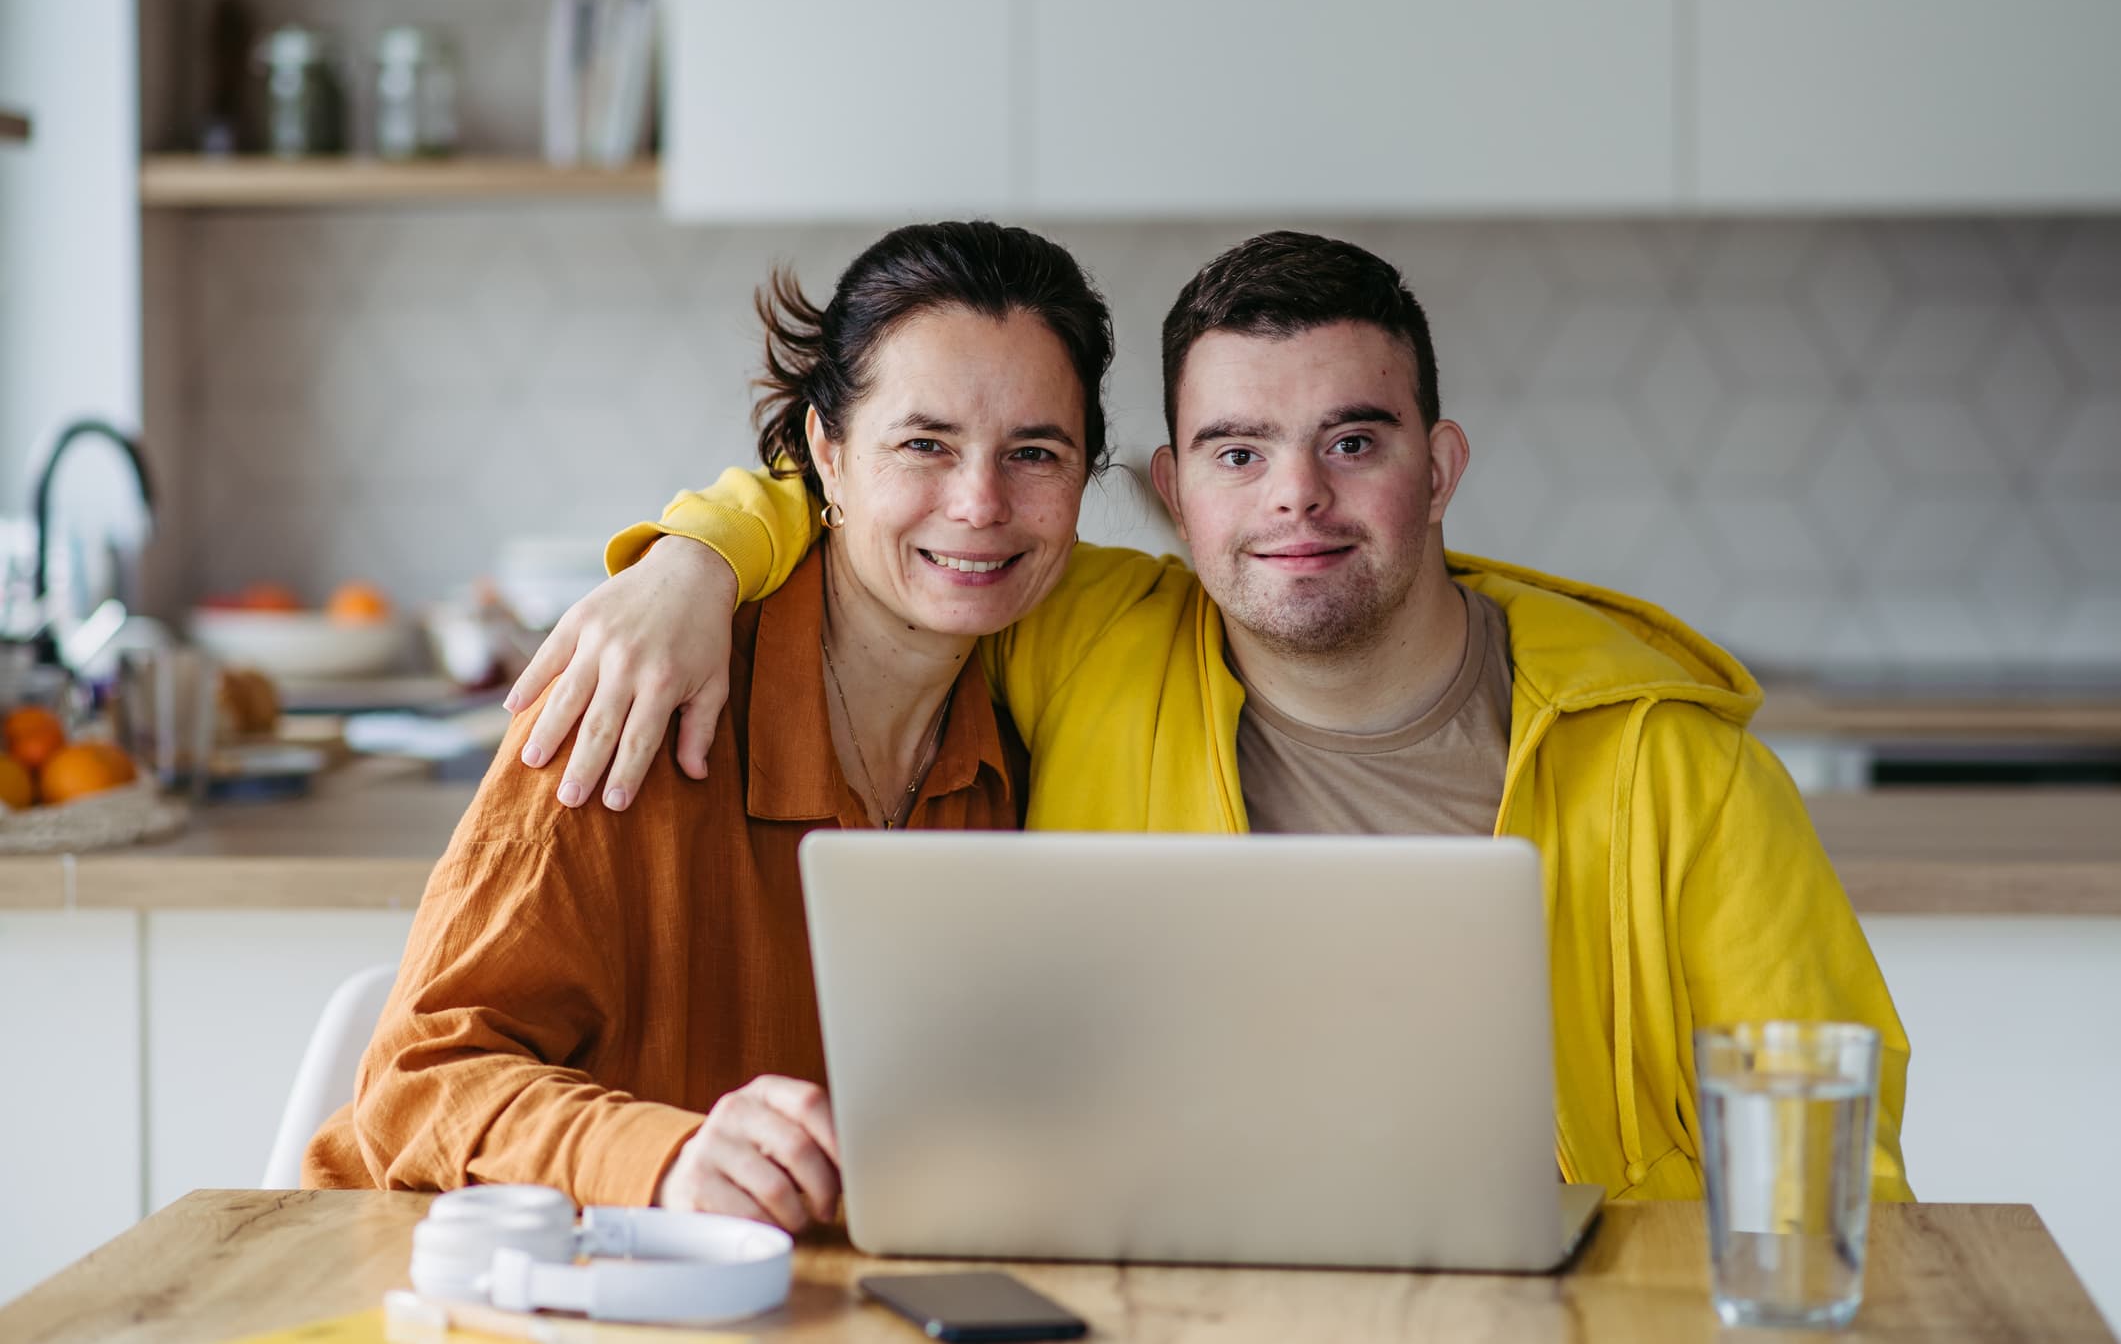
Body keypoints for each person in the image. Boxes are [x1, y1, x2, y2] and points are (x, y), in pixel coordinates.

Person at [509, 230, 1915, 1205]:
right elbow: (900, 505)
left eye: (1353, 440)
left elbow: (1842, 1172)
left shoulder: (1681, 770)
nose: (1296, 495)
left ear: (1440, 469)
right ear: (1175, 493)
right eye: (1240, 451)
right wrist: (690, 562)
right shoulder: (1075, 630)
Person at [299, 221, 1117, 1234]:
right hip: (473, 1288)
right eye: (924, 444)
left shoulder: (1036, 728)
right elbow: (415, 1085)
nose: (980, 502)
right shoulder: (641, 695)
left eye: (1035, 452)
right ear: (827, 451)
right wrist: (670, 1156)